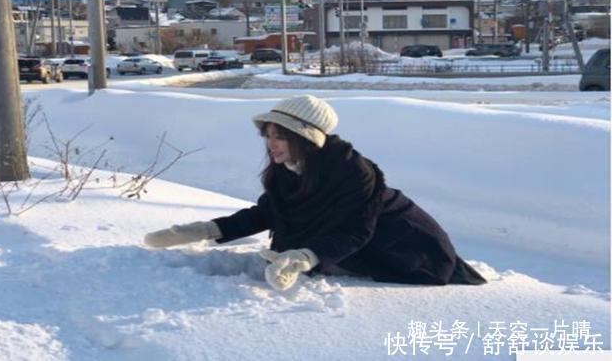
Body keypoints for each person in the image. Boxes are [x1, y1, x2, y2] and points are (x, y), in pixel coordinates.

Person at [144, 95, 486, 291]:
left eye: (279, 136)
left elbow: (355, 232)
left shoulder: (354, 172)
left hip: (402, 243)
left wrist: (304, 256)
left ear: (304, 138)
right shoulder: (287, 169)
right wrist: (204, 230)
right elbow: (267, 212)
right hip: (359, 238)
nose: (270, 144)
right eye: (268, 135)